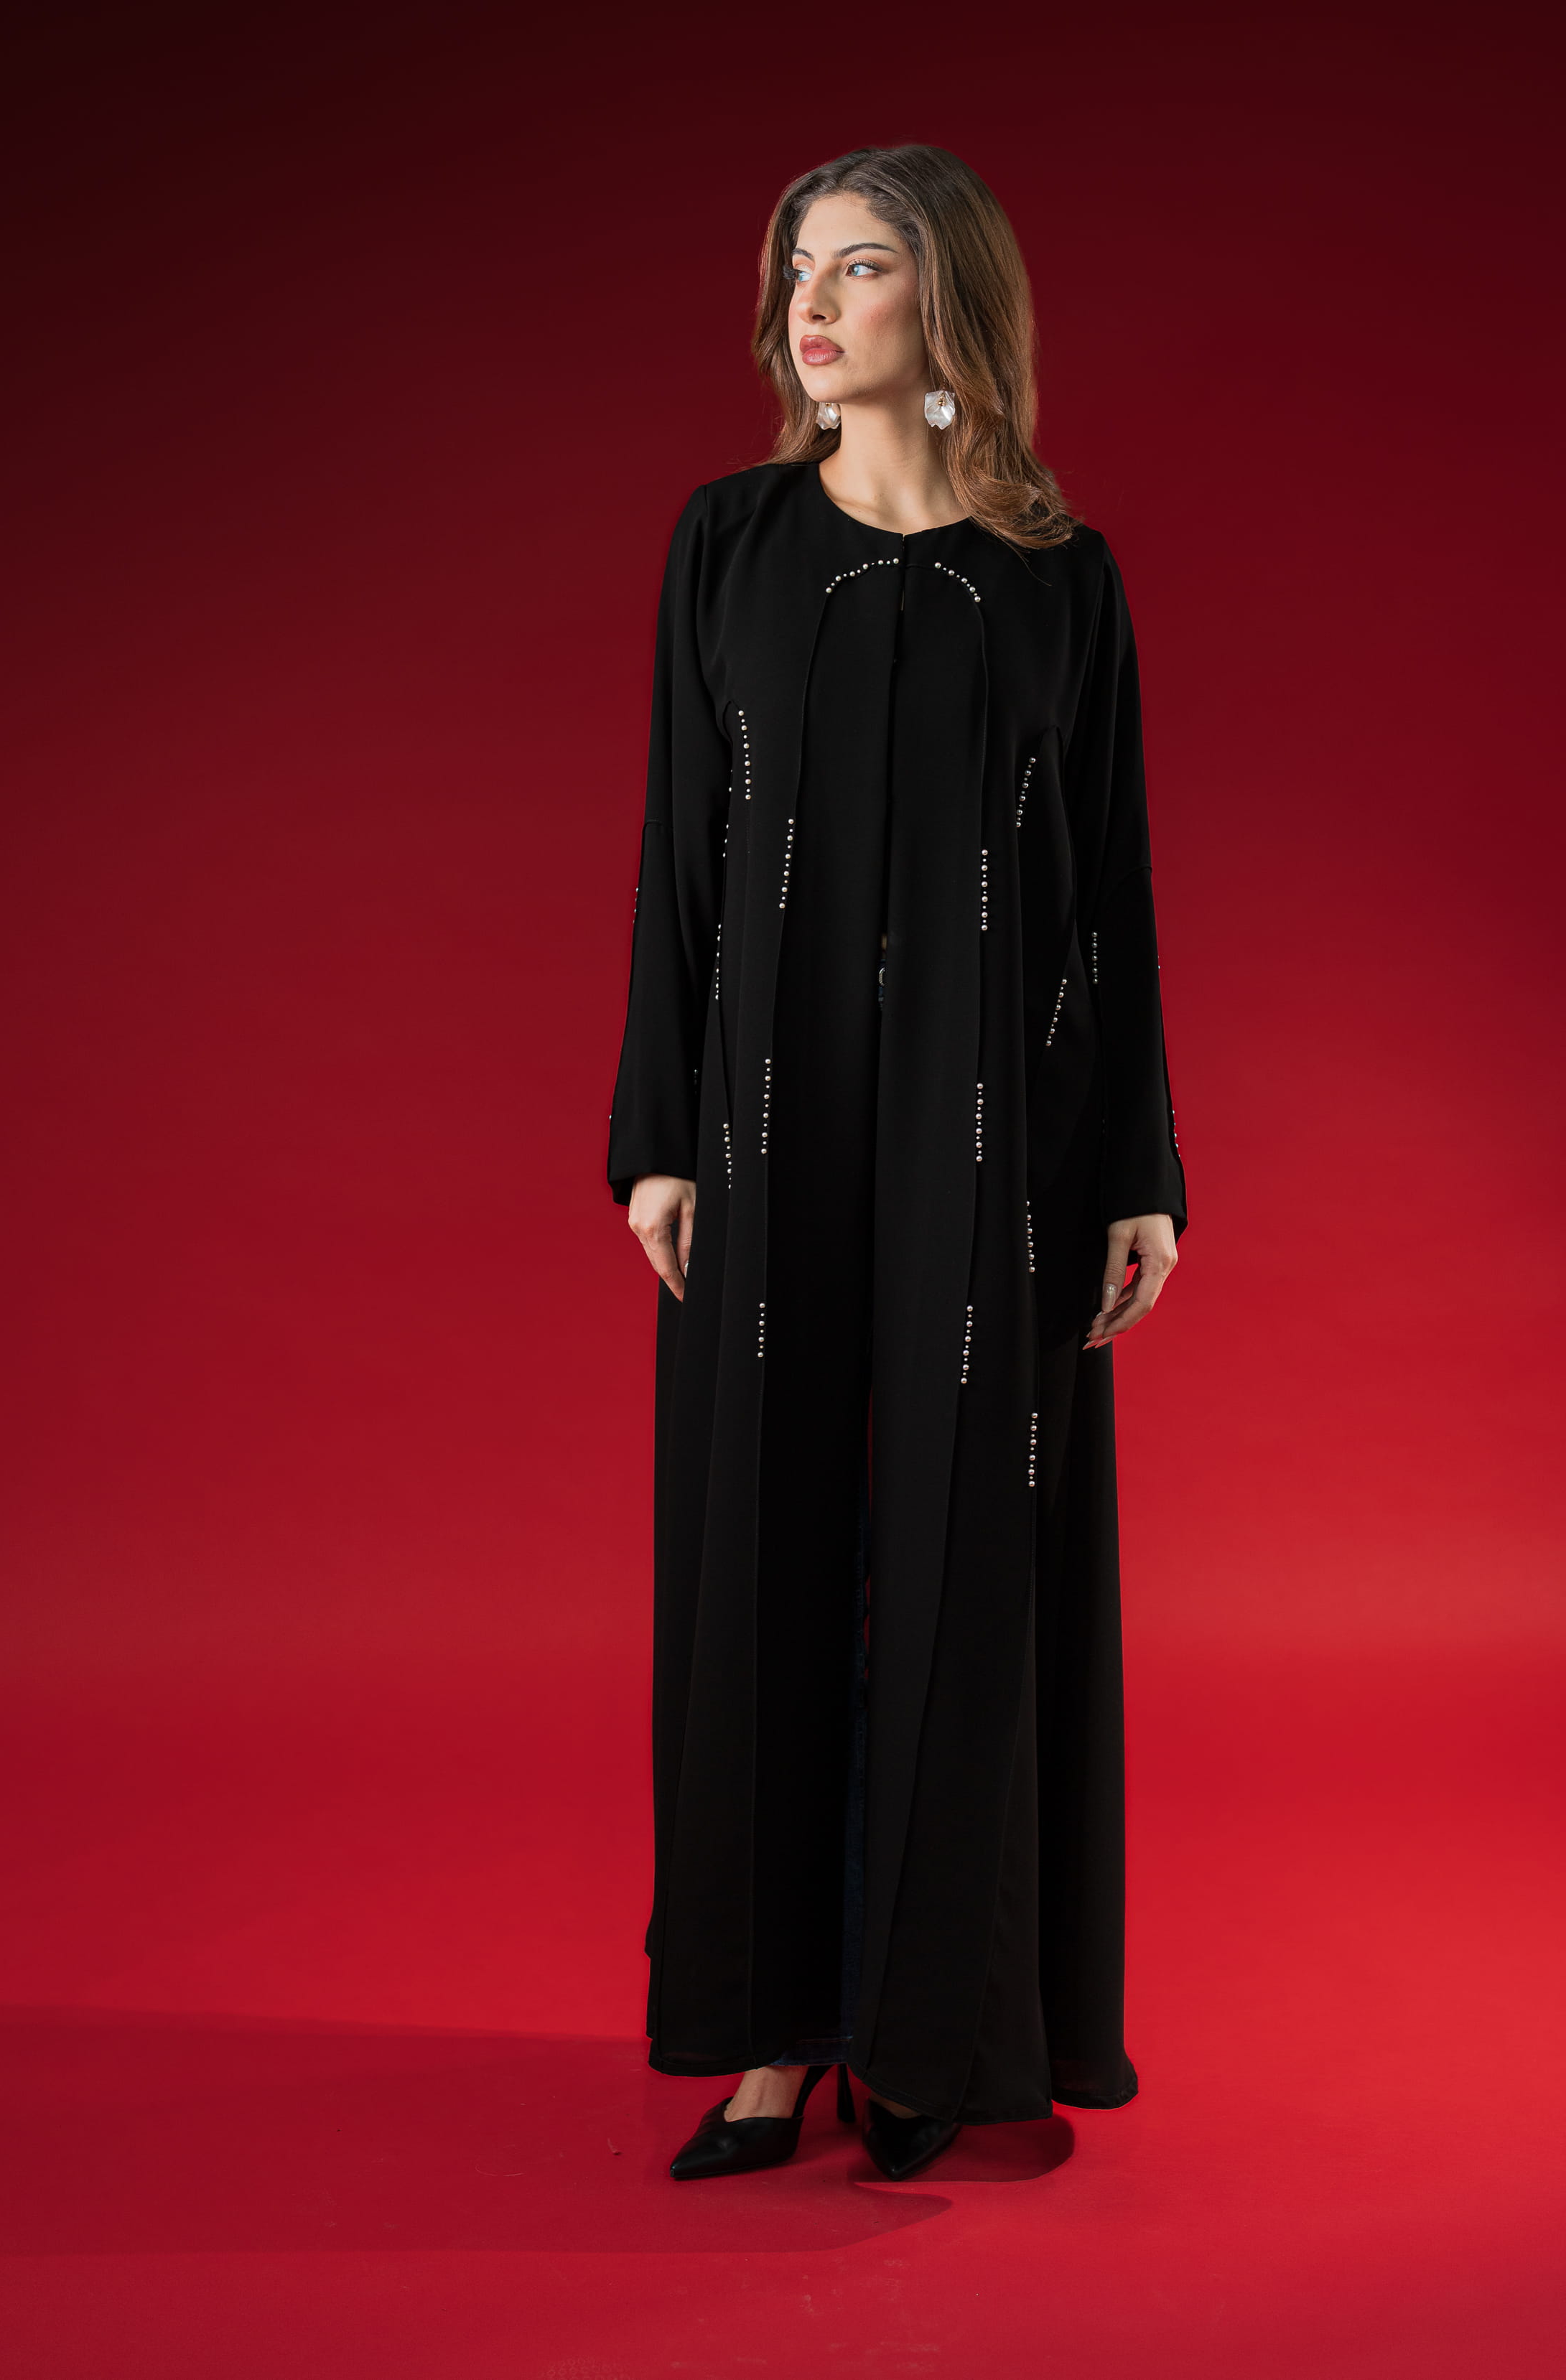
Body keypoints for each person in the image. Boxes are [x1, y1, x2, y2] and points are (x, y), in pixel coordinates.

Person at [607, 144, 1188, 2185]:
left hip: (993, 1134)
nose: (811, 298)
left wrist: (1137, 1166)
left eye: (858, 264)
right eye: (795, 263)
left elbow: (1106, 896)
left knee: (960, 1545)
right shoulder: (731, 542)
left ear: (950, 303)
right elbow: (678, 856)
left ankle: (930, 2027)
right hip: (767, 1129)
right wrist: (658, 1139)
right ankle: (771, 2034)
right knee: (764, 1540)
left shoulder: (1061, 581)